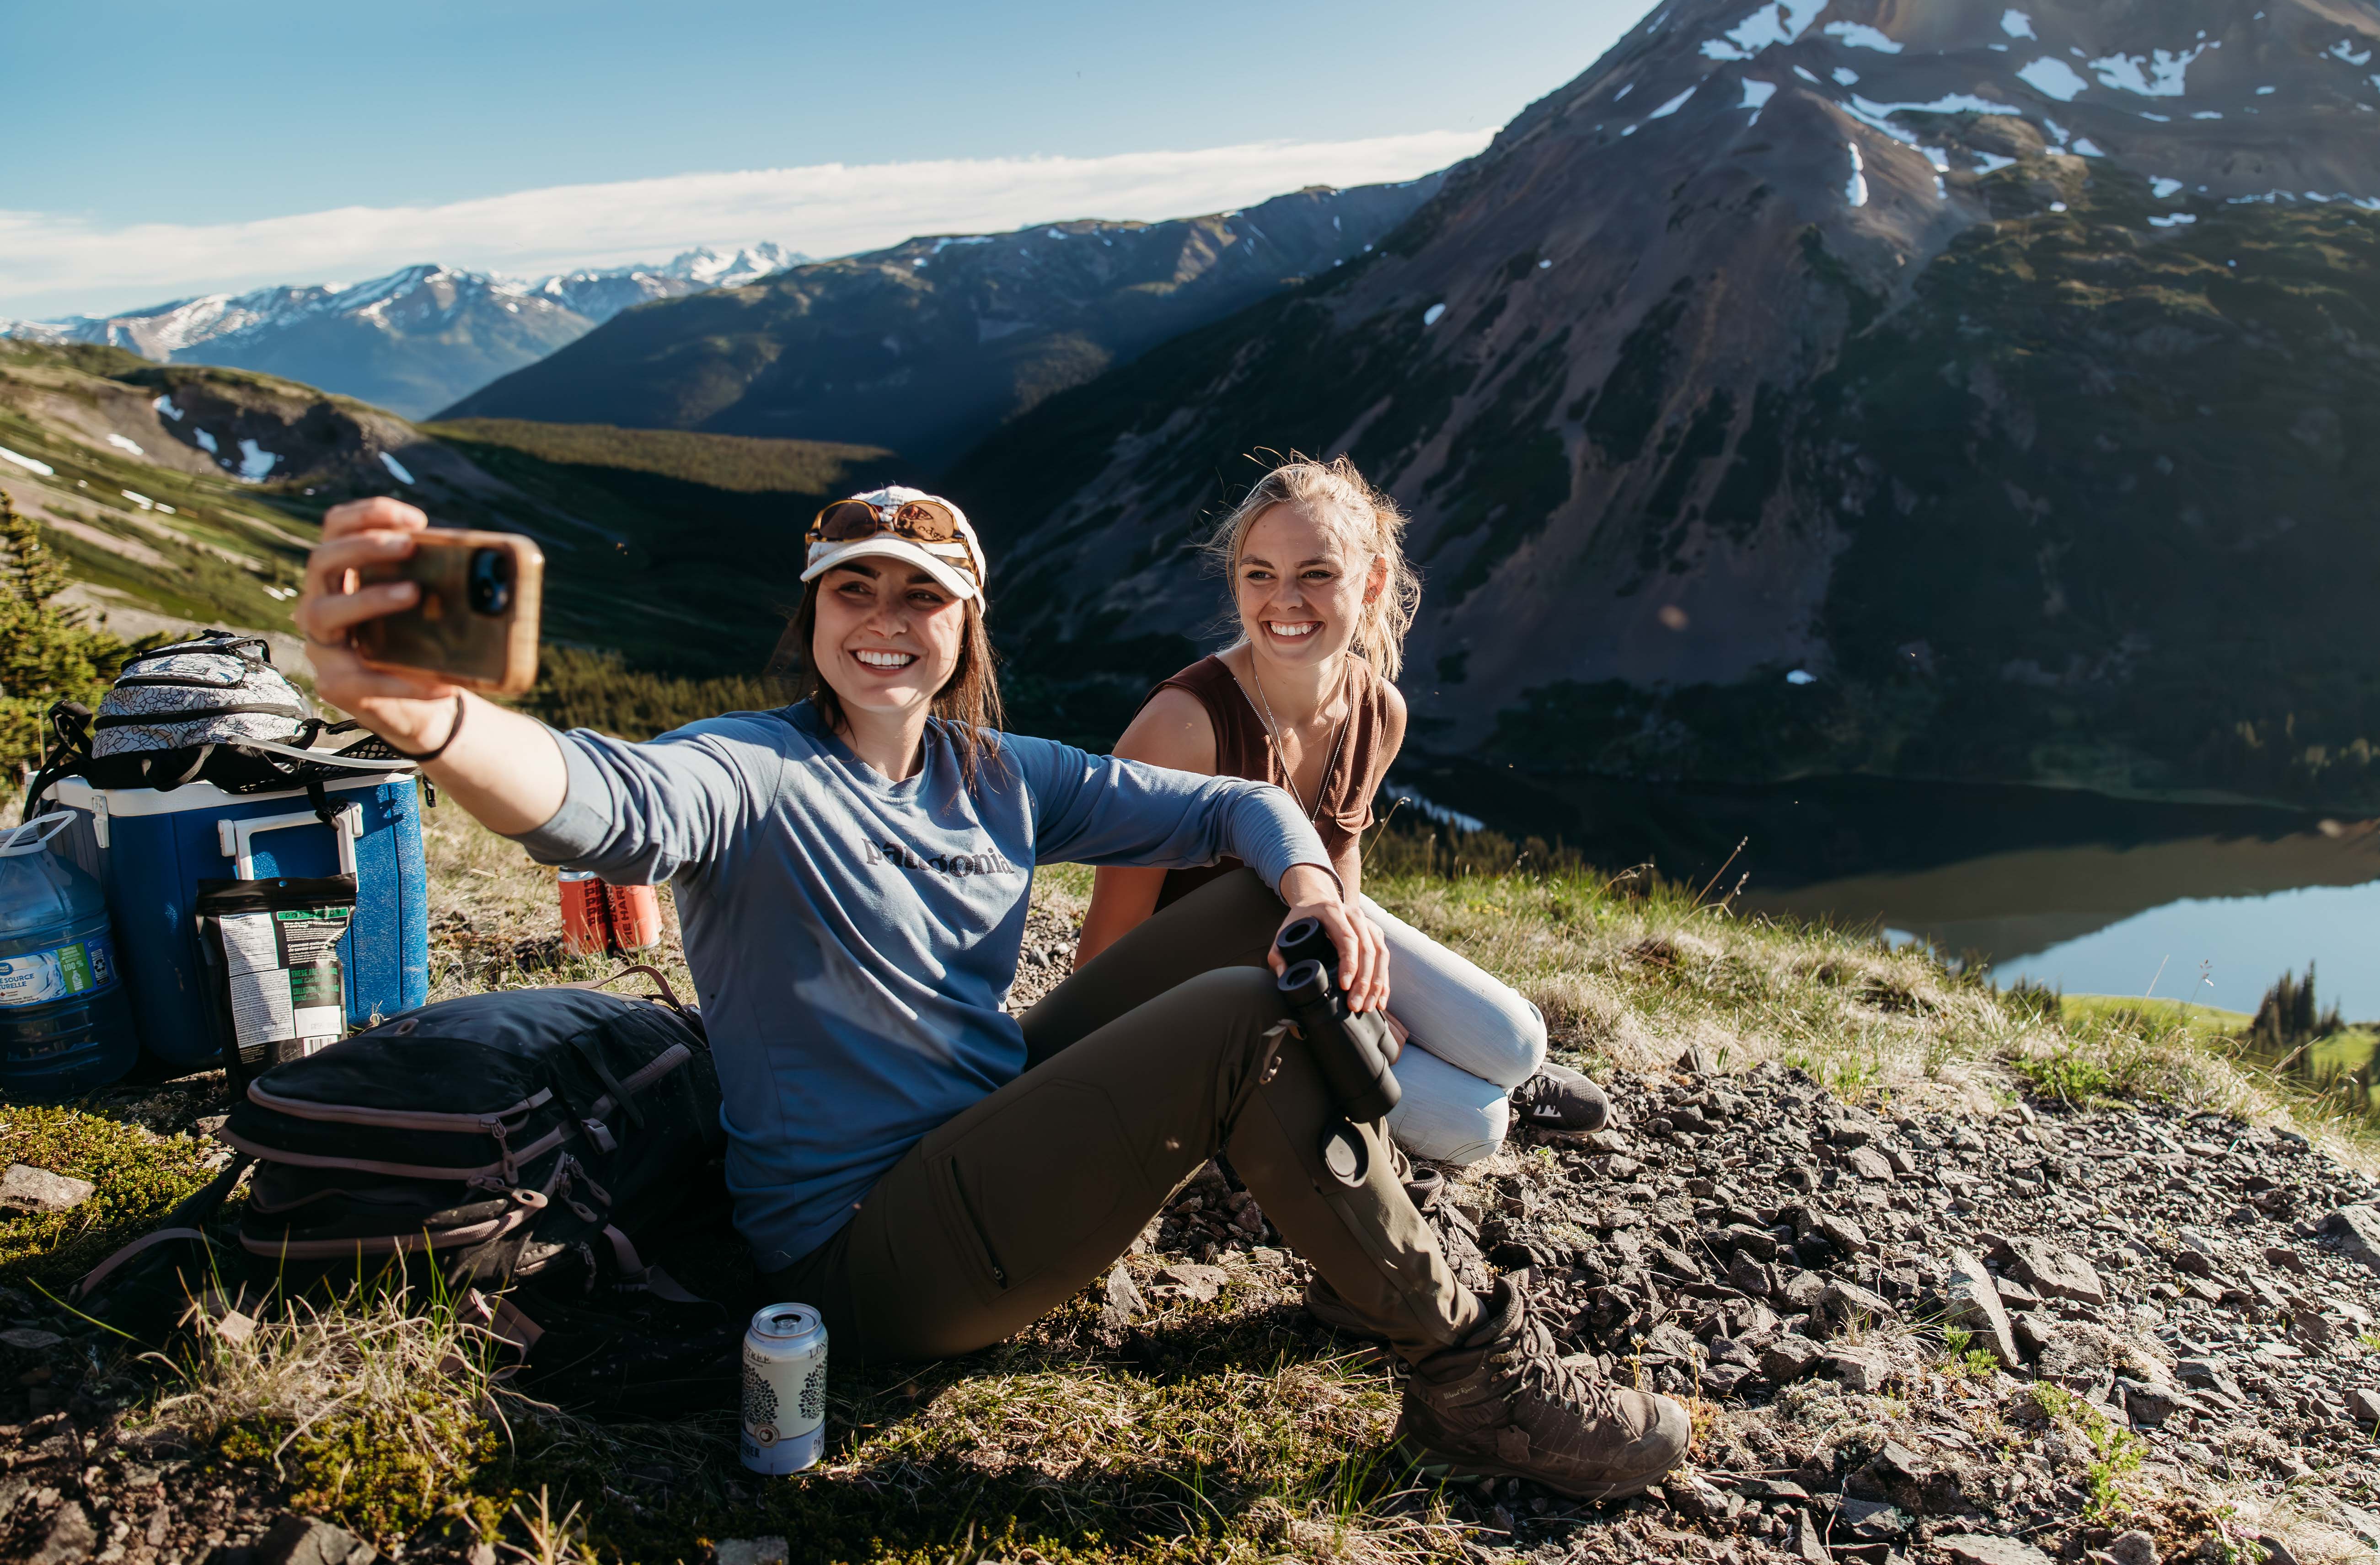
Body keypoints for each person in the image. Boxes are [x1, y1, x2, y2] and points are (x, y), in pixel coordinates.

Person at [296, 484, 1688, 1499]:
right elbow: (605, 802)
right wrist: (443, 722)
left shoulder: (998, 774)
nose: (884, 623)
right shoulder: (754, 772)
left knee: (1250, 907)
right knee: (1240, 1020)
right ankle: (1473, 1372)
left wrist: (1318, 885)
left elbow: (1234, 812)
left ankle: (1355, 1250)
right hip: (864, 1258)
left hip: (979, 1139)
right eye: (853, 591)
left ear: (966, 626)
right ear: (813, 614)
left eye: (922, 596)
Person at [1073, 453, 1611, 1169]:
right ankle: (1439, 1093)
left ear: (1373, 582)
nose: (1284, 601)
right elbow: (1109, 943)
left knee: (1520, 1041)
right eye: (1260, 574)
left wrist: (1352, 975)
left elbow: (1340, 850)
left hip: (1306, 938)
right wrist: (1111, 1089)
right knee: (1476, 1127)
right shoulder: (1183, 727)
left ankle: (1496, 1073)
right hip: (1209, 993)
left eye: (1317, 574)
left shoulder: (1378, 709)